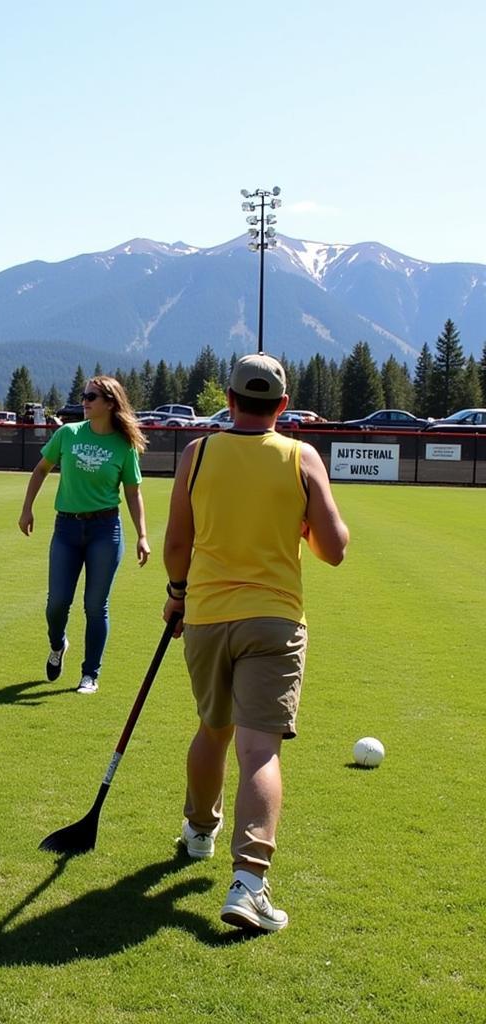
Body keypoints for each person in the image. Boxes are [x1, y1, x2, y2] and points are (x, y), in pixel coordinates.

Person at [162, 353, 349, 932]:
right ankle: (249, 882)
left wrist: (176, 593)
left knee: (213, 730)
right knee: (259, 749)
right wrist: (302, 524)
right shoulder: (301, 455)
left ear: (231, 399)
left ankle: (199, 831)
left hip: (208, 617)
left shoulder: (199, 453)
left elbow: (176, 544)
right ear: (283, 406)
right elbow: (334, 547)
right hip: (274, 620)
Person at [19, 375, 150, 693]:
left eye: (91, 396)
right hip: (66, 528)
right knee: (57, 603)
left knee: (95, 605)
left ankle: (90, 673)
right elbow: (40, 470)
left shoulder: (124, 445)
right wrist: (27, 508)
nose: (84, 401)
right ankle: (57, 644)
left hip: (105, 530)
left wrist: (142, 535)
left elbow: (133, 493)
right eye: (84, 395)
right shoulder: (67, 434)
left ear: (110, 403)